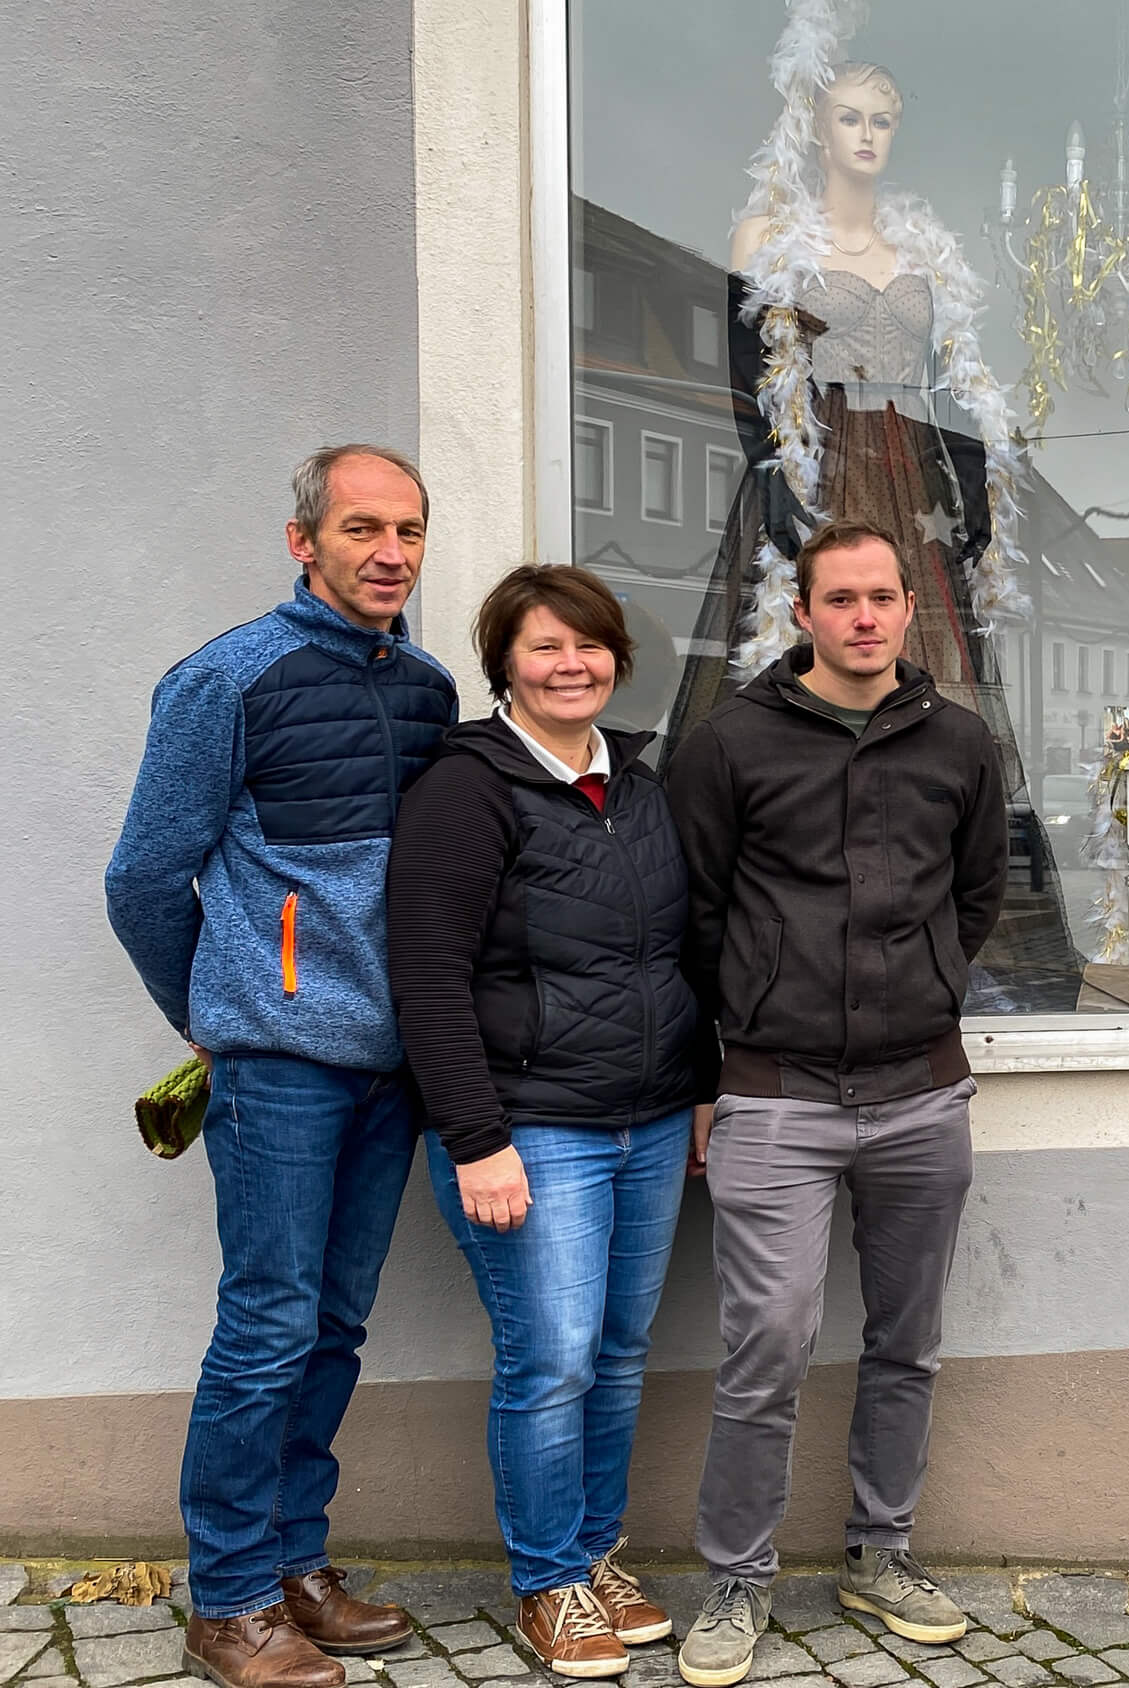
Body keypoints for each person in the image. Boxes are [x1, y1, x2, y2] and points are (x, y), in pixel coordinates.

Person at [105, 445, 453, 1688]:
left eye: (409, 529)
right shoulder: (225, 678)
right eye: (363, 526)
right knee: (264, 1327)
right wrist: (213, 1010)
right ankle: (231, 1597)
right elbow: (144, 877)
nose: (391, 552)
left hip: (389, 1068)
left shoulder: (427, 684)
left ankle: (298, 1563)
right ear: (302, 539)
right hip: (279, 1061)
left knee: (334, 1326)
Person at [665, 520, 1007, 1684]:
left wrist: (937, 983)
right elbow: (694, 916)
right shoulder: (729, 746)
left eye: (882, 597)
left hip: (921, 1090)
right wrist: (723, 1056)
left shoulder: (960, 742)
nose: (863, 617)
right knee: (767, 1339)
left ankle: (880, 1549)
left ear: (910, 609)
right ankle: (737, 1575)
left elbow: (978, 893)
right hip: (776, 1093)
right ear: (800, 612)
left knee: (907, 1339)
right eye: (840, 598)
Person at [385, 565, 703, 1678]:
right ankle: (547, 1581)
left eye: (590, 644)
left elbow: (676, 956)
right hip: (535, 1127)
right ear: (505, 665)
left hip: (651, 1120)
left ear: (617, 656)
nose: (571, 664)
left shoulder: (640, 786)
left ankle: (591, 1550)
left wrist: (698, 1091)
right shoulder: (466, 789)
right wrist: (475, 1135)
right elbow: (425, 972)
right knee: (553, 1357)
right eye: (543, 647)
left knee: (617, 1355)